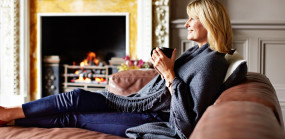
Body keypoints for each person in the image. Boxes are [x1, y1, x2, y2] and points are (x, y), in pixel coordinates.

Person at [0, 0, 246, 138]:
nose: (187, 23)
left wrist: (169, 74)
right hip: (136, 102)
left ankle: (11, 121)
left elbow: (185, 122)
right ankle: (9, 113)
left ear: (210, 21)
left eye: (193, 18)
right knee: (76, 96)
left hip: (151, 116)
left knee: (76, 118)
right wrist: (162, 70)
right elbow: (170, 88)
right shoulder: (196, 52)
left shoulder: (212, 62)